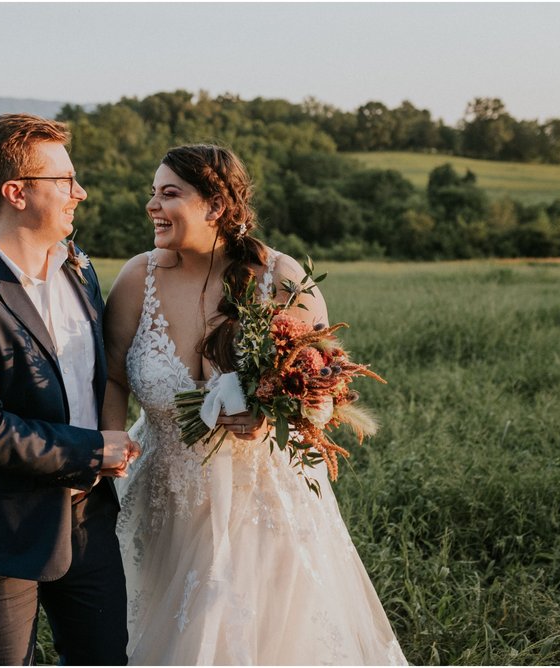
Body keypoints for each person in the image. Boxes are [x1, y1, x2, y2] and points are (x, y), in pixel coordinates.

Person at [102, 144, 407, 665]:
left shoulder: (282, 279)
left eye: (169, 194)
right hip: (162, 498)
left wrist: (269, 416)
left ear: (216, 206)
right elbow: (110, 377)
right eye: (151, 194)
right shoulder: (137, 279)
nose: (152, 206)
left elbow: (325, 390)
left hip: (260, 502)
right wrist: (111, 439)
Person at [0, 113, 139, 666]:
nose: (79, 193)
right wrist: (93, 450)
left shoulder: (78, 268)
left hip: (90, 518)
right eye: (63, 181)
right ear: (16, 192)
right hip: (1, 531)